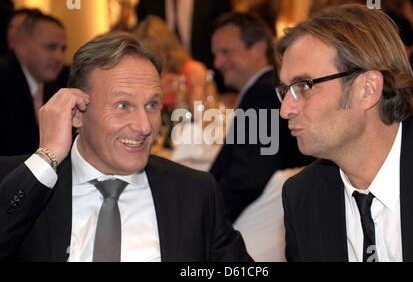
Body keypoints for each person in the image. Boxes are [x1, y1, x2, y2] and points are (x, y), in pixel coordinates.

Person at [0, 31, 252, 262]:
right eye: (123, 106)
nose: (144, 126)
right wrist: (48, 156)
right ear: (76, 113)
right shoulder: (19, 183)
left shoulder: (195, 193)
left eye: (152, 105)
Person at [277, 4, 413, 262]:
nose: (285, 110)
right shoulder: (304, 196)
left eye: (303, 86)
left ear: (367, 89)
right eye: (285, 91)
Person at [210, 12, 314, 222]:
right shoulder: (264, 90)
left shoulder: (263, 96)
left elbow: (245, 180)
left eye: (226, 52)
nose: (217, 62)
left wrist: (200, 221)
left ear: (258, 49)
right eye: (215, 54)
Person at [0, 11, 67, 156]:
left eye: (63, 49)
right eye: (51, 47)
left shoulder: (59, 84)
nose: (59, 57)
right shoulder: (3, 83)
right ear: (22, 46)